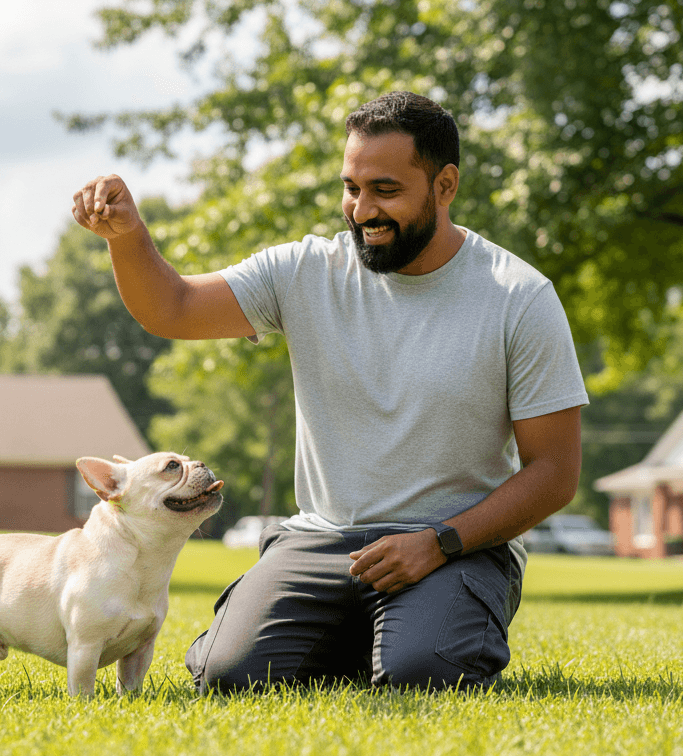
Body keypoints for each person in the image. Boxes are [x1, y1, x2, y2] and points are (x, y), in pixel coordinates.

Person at [71, 91, 588, 692]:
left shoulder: (518, 297)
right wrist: (127, 236)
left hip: (456, 547)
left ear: (445, 185)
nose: (362, 209)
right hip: (320, 540)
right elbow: (175, 308)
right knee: (229, 676)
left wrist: (439, 543)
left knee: (420, 675)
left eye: (386, 190)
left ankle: (405, 632)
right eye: (351, 187)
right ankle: (366, 627)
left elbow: (554, 471)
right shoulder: (305, 271)